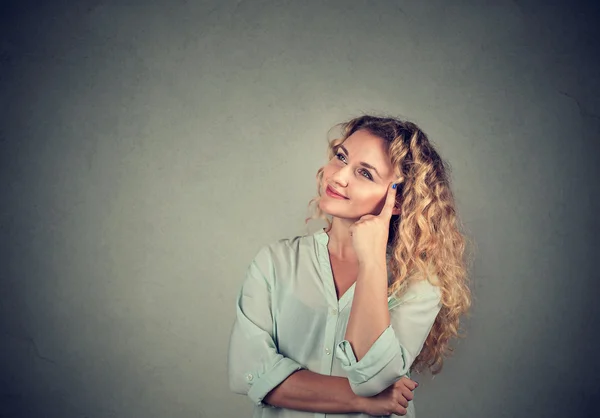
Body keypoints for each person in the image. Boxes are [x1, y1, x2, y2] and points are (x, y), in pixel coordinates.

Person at [227, 115, 472, 417]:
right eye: (341, 157)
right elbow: (246, 372)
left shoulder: (419, 281)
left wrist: (371, 263)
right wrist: (362, 400)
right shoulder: (274, 262)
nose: (339, 176)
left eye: (365, 174)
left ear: (396, 201)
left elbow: (374, 378)